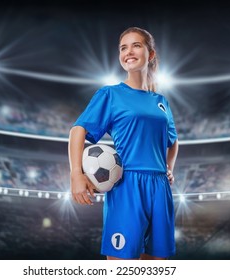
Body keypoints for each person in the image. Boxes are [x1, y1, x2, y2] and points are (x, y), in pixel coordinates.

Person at [68, 27, 179, 260]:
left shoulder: (161, 102)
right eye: (123, 47)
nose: (128, 52)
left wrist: (169, 168)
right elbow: (78, 131)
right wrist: (76, 174)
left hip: (160, 188)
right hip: (127, 185)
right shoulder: (110, 95)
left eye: (136, 45)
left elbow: (173, 141)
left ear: (150, 54)